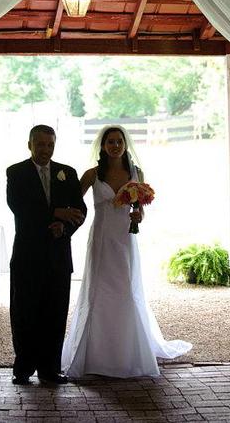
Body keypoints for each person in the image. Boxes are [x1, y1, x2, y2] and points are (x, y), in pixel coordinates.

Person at [61, 125, 192, 378]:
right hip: (101, 239)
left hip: (125, 239)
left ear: (125, 144)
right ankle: (93, 354)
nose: (115, 145)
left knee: (125, 289)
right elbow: (73, 203)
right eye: (110, 142)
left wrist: (138, 214)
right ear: (103, 146)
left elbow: (140, 211)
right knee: (98, 290)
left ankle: (127, 352)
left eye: (119, 141)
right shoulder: (92, 175)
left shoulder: (136, 173)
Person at [7, 124, 87, 385]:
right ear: (29, 144)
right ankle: (23, 368)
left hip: (58, 255)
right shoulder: (16, 172)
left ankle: (50, 369)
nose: (45, 150)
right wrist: (56, 212)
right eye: (40, 144)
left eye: (50, 144)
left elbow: (79, 210)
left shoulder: (68, 173)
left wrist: (64, 226)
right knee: (25, 312)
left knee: (54, 314)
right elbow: (20, 207)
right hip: (27, 256)